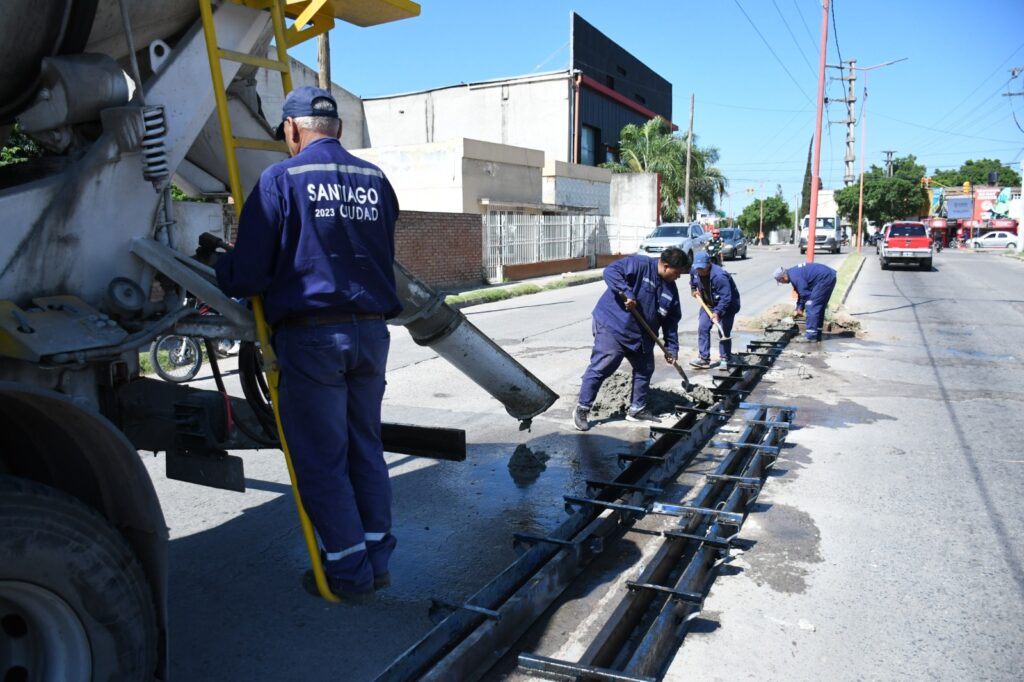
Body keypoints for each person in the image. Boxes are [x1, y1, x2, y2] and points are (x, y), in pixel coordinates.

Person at [214, 86, 401, 604]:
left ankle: (348, 574)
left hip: (313, 335)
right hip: (371, 332)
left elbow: (250, 274)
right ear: (337, 128)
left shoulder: (280, 179)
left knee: (322, 459)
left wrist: (222, 266)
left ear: (293, 129)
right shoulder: (376, 180)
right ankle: (377, 560)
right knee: (365, 447)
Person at [573, 248, 688, 431]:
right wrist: (627, 292)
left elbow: (671, 322)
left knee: (645, 367)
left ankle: (637, 409)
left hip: (641, 334)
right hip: (614, 324)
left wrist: (672, 348)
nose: (679, 277)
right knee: (606, 362)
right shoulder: (640, 264)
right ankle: (582, 408)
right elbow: (610, 272)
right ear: (666, 266)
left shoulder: (670, 290)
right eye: (677, 272)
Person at [688, 251, 741, 369]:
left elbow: (726, 298)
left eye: (702, 268)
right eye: (698, 268)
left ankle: (725, 358)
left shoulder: (719, 276)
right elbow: (693, 282)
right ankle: (704, 359)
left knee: (723, 331)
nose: (699, 271)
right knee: (703, 327)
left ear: (709, 264)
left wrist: (717, 312)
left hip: (727, 305)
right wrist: (693, 290)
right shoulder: (695, 270)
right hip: (708, 304)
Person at [773, 262, 837, 343]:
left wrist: (801, 308)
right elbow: (801, 293)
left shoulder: (795, 277)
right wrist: (799, 308)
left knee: (811, 305)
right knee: (818, 306)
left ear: (783, 277)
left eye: (780, 281)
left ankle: (811, 336)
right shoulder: (793, 274)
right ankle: (817, 332)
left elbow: (805, 294)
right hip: (827, 276)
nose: (782, 283)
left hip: (825, 278)